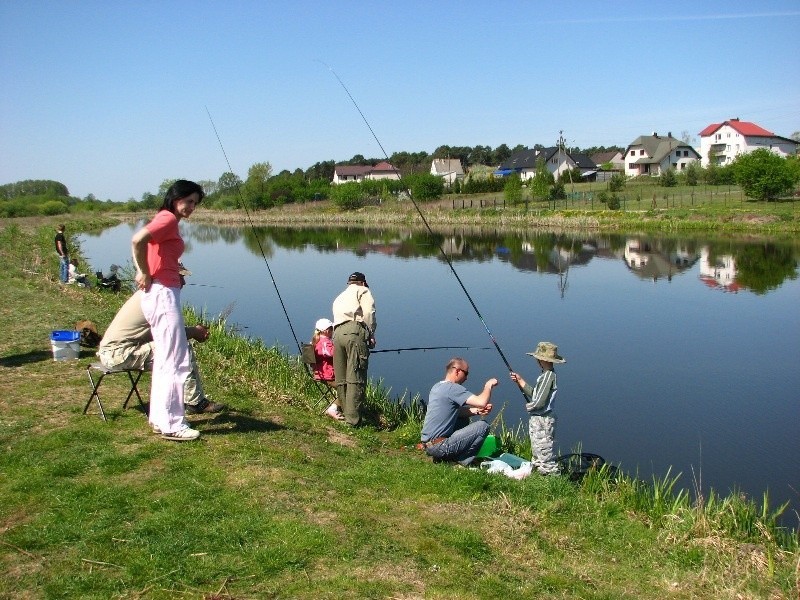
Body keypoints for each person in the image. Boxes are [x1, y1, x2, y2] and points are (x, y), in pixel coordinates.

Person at [131, 179, 204, 441]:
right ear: (175, 198)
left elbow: (151, 248)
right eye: (189, 201)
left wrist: (161, 270)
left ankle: (161, 418)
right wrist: (143, 272)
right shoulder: (168, 219)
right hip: (162, 293)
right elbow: (137, 240)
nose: (192, 207)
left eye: (195, 203)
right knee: (175, 358)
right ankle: (174, 423)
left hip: (160, 290)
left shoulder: (164, 218)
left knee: (164, 358)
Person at [97, 289, 225, 415]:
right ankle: (196, 403)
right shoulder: (158, 297)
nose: (184, 283)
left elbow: (161, 332)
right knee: (181, 346)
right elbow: (172, 335)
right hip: (120, 354)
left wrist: (193, 331)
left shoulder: (147, 292)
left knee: (173, 350)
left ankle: (178, 399)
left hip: (113, 352)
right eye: (180, 277)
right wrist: (195, 332)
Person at [419, 357, 497, 466]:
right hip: (440, 447)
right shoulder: (452, 388)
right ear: (457, 371)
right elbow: (482, 401)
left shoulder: (437, 387)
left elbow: (457, 412)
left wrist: (477, 411)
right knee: (483, 426)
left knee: (463, 420)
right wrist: (488, 385)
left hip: (429, 446)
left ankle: (446, 458)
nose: (466, 378)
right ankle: (461, 461)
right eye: (466, 373)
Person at [509, 341, 565, 475]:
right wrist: (520, 381)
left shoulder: (548, 376)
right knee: (537, 451)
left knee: (544, 451)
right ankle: (539, 474)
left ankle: (552, 476)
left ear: (540, 359)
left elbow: (539, 402)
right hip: (539, 419)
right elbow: (536, 394)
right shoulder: (545, 375)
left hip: (543, 420)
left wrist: (530, 406)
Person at [331, 271, 376, 427]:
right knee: (356, 377)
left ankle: (344, 413)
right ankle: (353, 421)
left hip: (336, 334)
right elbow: (369, 312)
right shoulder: (363, 290)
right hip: (354, 332)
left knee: (341, 378)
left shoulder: (340, 297)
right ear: (363, 282)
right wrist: (370, 332)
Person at [312, 317, 343, 421]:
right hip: (327, 375)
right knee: (346, 388)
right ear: (326, 331)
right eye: (331, 329)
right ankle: (333, 408)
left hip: (320, 373)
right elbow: (331, 353)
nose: (333, 331)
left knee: (344, 387)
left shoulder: (317, 341)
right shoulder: (325, 342)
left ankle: (338, 407)